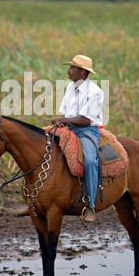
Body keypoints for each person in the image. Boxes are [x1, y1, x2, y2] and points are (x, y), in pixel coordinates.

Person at [51, 55, 104, 223]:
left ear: (82, 72)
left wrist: (63, 120)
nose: (68, 70)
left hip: (87, 131)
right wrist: (60, 121)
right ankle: (36, 197)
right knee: (40, 145)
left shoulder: (95, 92)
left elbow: (86, 120)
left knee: (89, 160)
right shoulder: (70, 87)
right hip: (68, 127)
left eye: (72, 68)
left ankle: (90, 206)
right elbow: (65, 113)